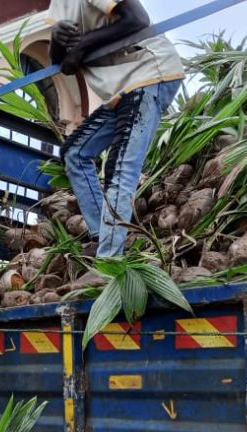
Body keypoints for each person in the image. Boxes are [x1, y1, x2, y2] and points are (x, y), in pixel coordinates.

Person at [49, 0, 185, 259]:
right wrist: (57, 39)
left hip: (149, 72)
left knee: (120, 166)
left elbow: (137, 18)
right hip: (121, 88)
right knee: (74, 153)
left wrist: (83, 45)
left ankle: (109, 258)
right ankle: (102, 235)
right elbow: (63, 62)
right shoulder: (60, 4)